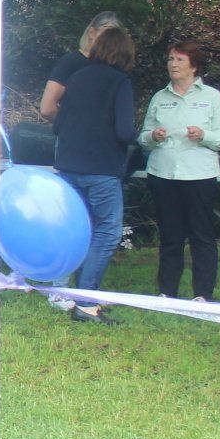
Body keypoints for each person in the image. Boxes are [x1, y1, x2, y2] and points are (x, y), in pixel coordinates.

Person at [53, 25, 137, 324]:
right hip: (101, 170)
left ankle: (75, 295)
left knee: (79, 230)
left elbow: (57, 125)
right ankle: (86, 302)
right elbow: (125, 131)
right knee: (107, 232)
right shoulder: (120, 82)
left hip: (69, 167)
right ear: (124, 53)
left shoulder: (76, 78)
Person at [138, 40, 220, 301]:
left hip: (199, 175)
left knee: (201, 235)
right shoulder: (160, 97)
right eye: (170, 59)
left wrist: (204, 135)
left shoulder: (211, 97)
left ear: (194, 65)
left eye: (179, 59)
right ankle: (166, 291)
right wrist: (153, 136)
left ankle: (202, 294)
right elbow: (143, 137)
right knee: (170, 236)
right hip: (163, 174)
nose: (173, 64)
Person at [39, 11, 124, 123]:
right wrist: (71, 125)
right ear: (91, 33)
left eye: (115, 37)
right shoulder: (71, 62)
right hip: (72, 138)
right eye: (106, 35)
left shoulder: (115, 68)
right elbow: (47, 108)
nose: (110, 41)